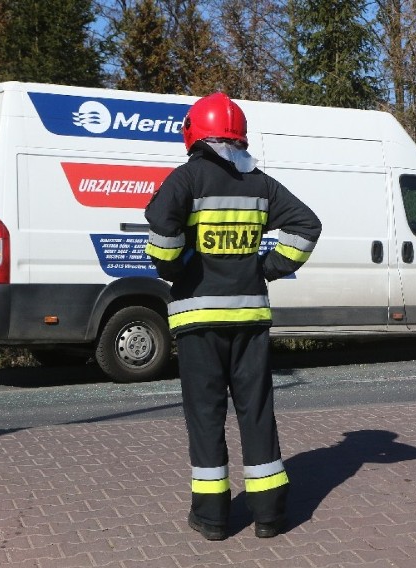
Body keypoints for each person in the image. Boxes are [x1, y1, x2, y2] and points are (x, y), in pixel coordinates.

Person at [144, 92, 321, 541]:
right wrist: (268, 267)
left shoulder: (185, 180)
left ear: (194, 136)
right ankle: (269, 514)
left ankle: (212, 517)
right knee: (256, 411)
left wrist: (176, 265)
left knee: (206, 416)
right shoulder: (260, 184)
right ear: (238, 137)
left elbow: (161, 232)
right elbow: (307, 225)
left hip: (198, 321)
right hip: (249, 320)